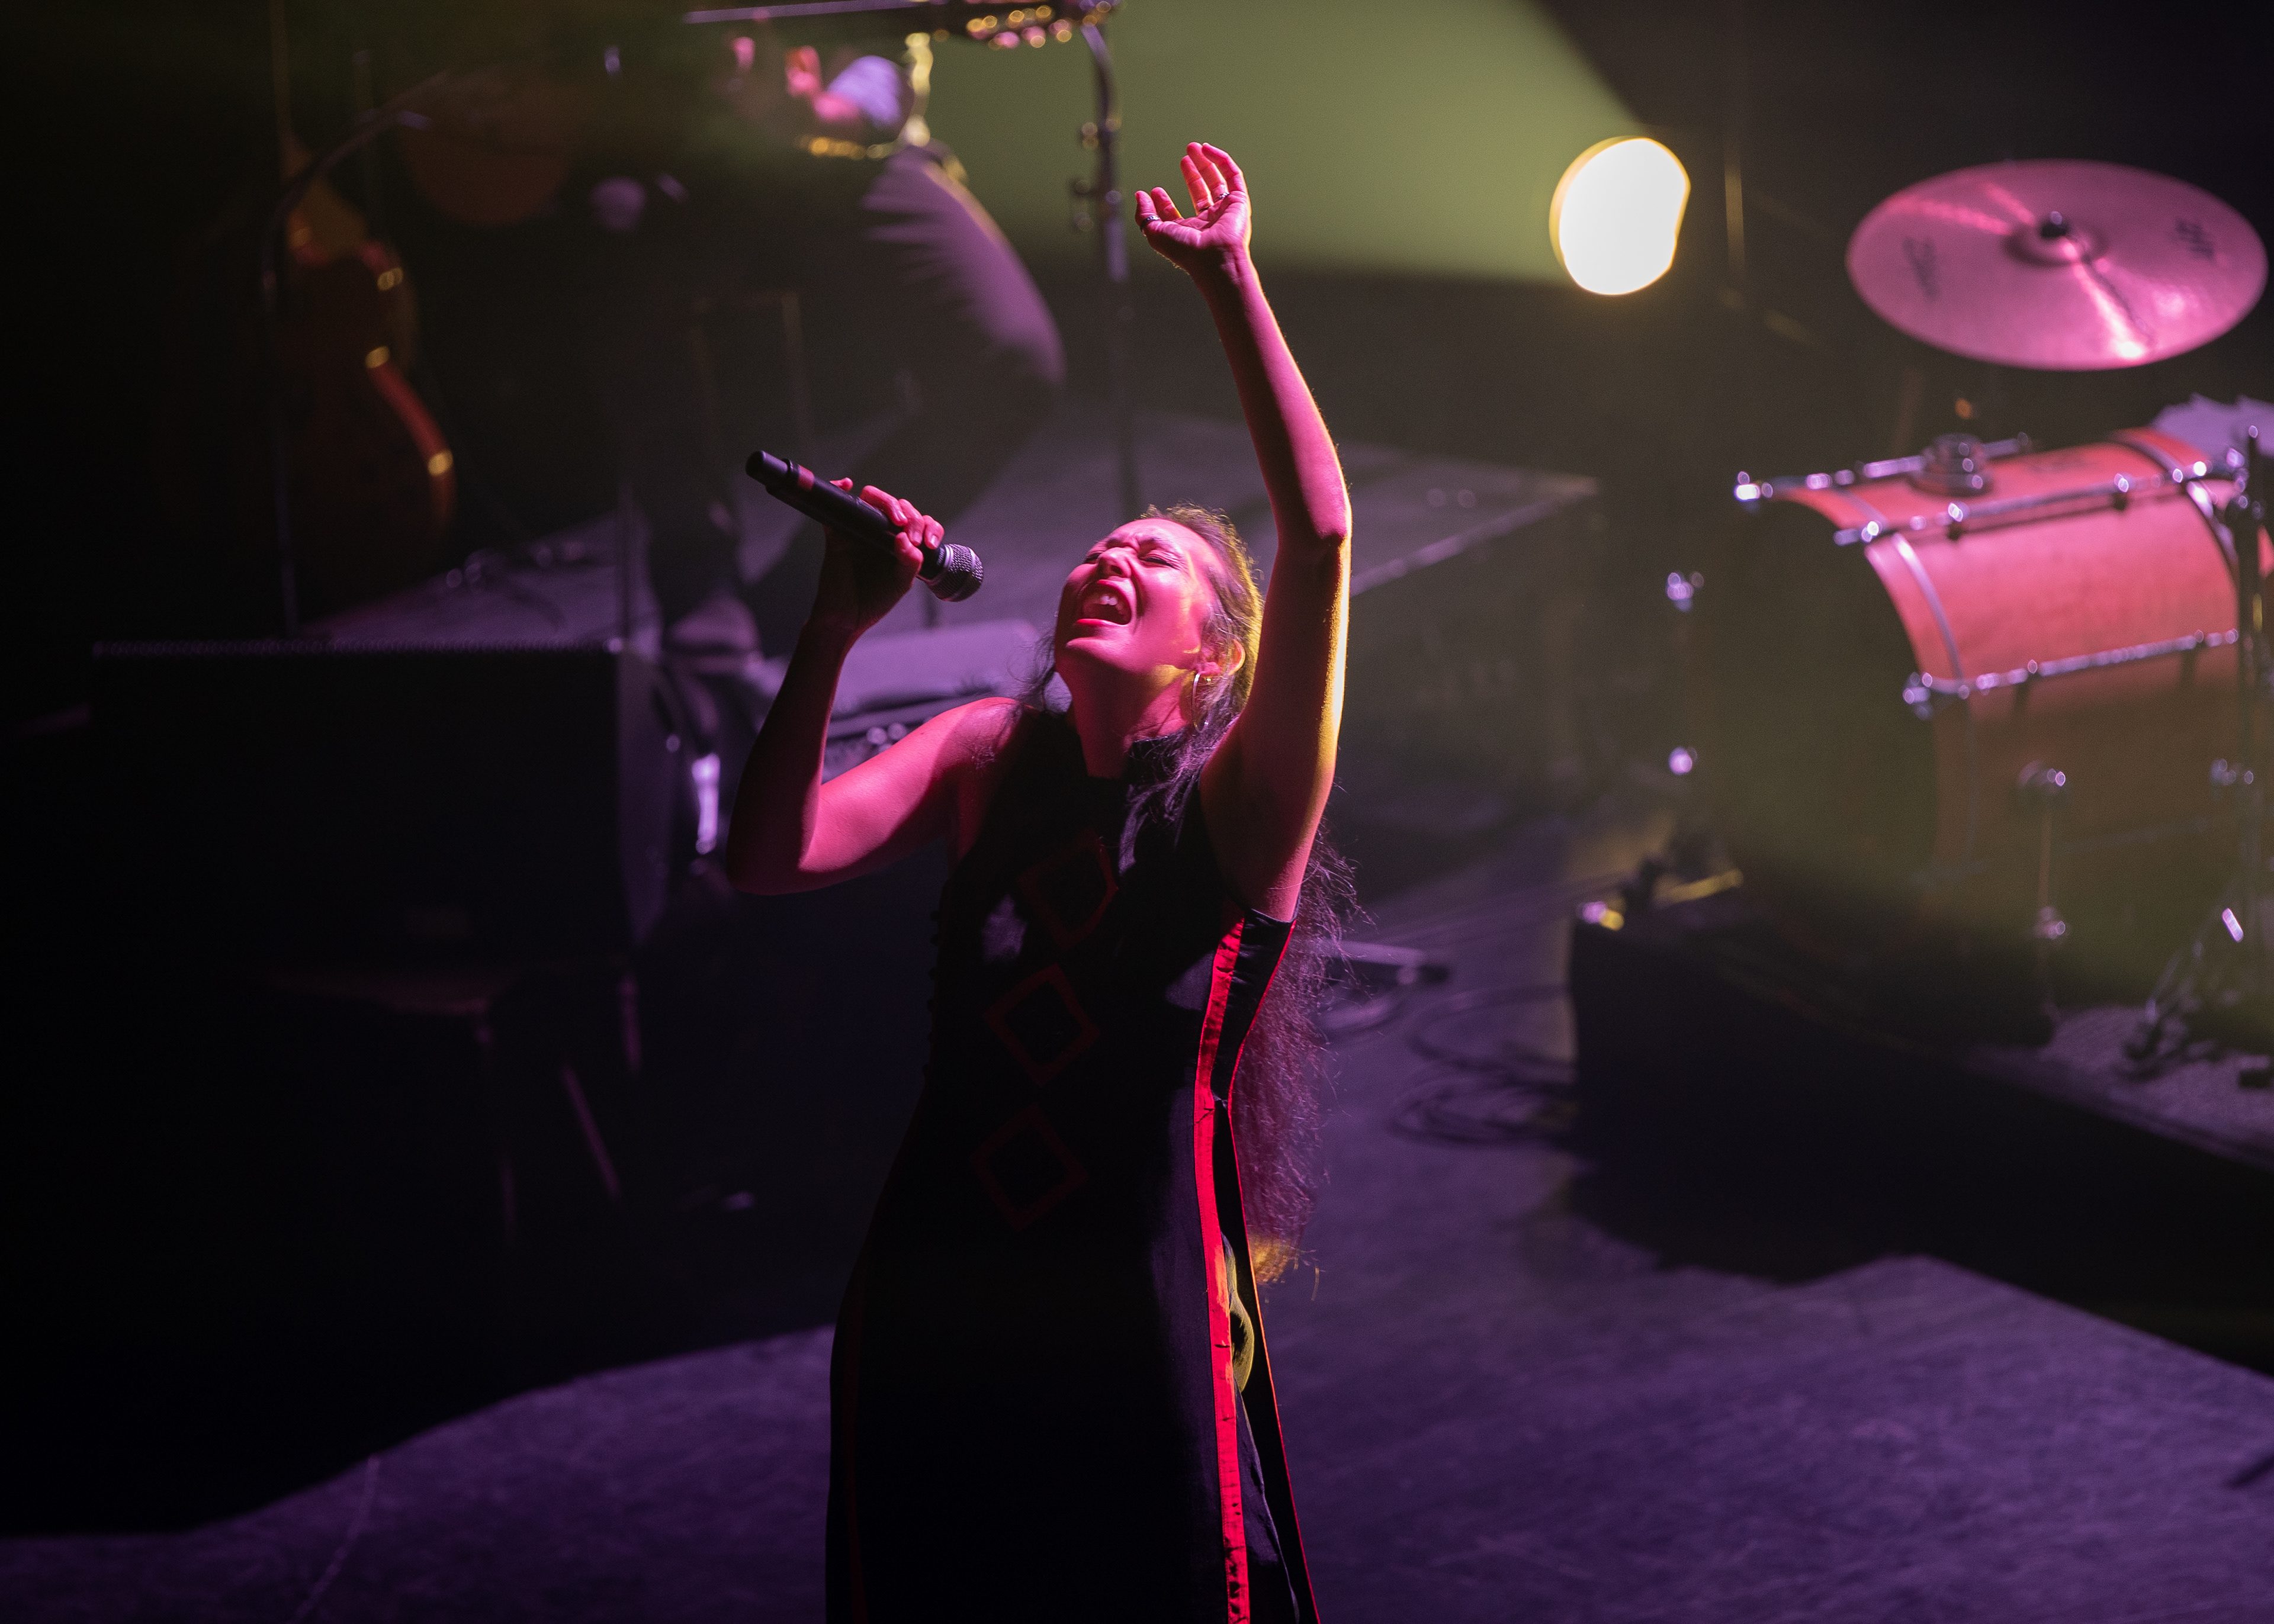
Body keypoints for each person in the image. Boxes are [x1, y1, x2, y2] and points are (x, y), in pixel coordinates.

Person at [725, 143, 1347, 1622]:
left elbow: (1321, 535)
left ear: (1217, 654)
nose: (1109, 560)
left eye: (1153, 559)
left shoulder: (1243, 809)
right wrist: (832, 627)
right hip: (932, 1301)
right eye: (1096, 548)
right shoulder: (983, 754)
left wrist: (1231, 278)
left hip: (1131, 1322)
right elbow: (766, 855)